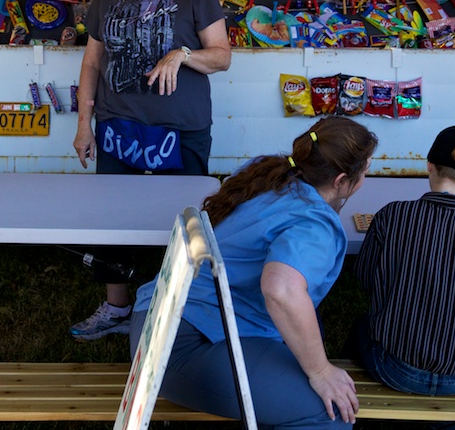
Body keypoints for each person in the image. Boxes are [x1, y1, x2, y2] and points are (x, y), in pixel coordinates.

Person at [129, 117, 378, 429]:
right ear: (342, 180)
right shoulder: (314, 225)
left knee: (310, 338)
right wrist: (321, 371)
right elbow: (281, 290)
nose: (366, 177)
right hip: (176, 351)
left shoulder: (271, 173)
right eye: (366, 169)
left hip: (160, 320)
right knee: (330, 412)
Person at [69, 0, 231, 340]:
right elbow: (92, 61)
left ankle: (180, 306)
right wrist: (84, 123)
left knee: (184, 220)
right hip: (117, 123)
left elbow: (222, 56)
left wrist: (183, 54)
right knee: (112, 218)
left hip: (181, 128)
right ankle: (117, 306)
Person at [347, 125, 455, 395]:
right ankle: (448, 423)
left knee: (360, 328)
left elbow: (366, 278)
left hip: (396, 368)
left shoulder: (391, 216)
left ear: (429, 166)